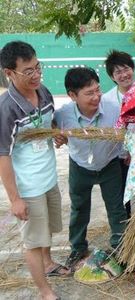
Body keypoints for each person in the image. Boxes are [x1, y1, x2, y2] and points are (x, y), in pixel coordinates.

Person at [0, 41, 69, 300]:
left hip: (49, 177)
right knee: (33, 241)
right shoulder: (6, 109)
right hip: (28, 187)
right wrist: (15, 198)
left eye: (37, 67)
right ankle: (44, 292)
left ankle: (49, 262)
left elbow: (48, 124)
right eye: (28, 71)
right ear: (9, 73)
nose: (36, 75)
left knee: (47, 229)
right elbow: (2, 155)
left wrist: (57, 136)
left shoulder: (44, 91)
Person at [54, 67, 127, 271]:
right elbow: (52, 129)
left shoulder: (114, 108)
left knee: (116, 209)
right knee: (79, 209)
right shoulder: (62, 115)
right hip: (79, 166)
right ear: (72, 95)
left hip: (109, 165)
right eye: (89, 93)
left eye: (98, 90)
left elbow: (129, 130)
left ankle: (120, 249)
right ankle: (78, 248)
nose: (96, 97)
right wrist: (57, 135)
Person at [103, 50, 135, 217]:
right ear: (112, 77)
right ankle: (127, 230)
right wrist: (126, 150)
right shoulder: (106, 100)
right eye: (118, 72)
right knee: (123, 196)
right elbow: (111, 130)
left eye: (126, 69)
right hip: (121, 157)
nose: (123, 75)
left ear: (133, 68)